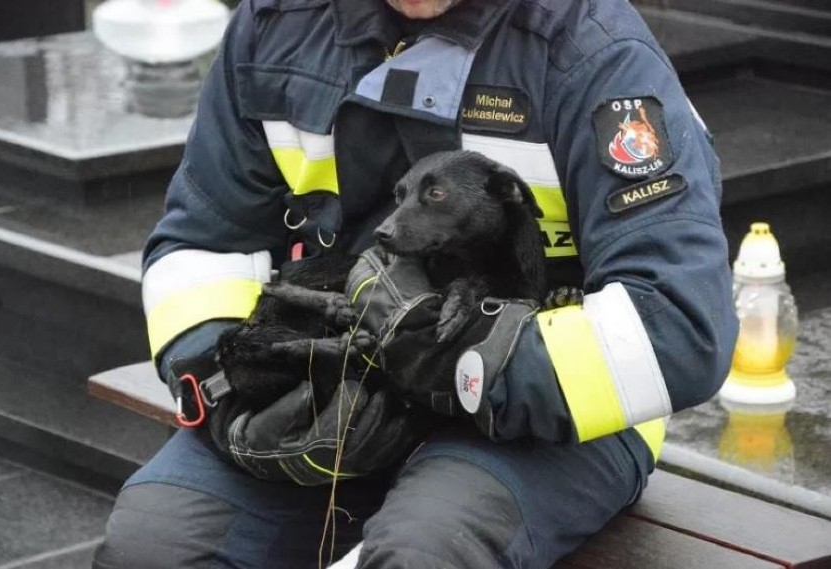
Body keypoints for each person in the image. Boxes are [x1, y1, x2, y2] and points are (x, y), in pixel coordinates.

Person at [93, 0, 739, 567]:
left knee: (420, 552)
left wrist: (454, 361)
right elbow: (204, 245)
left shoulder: (596, 51)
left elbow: (678, 329)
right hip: (327, 382)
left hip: (545, 414)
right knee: (154, 545)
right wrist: (223, 380)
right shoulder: (274, 26)